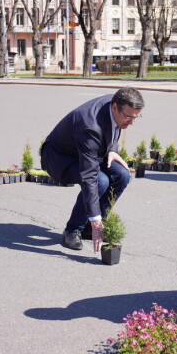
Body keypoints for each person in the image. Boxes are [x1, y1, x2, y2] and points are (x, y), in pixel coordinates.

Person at [41, 87, 145, 252]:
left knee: (123, 175)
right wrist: (95, 219)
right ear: (115, 107)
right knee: (100, 181)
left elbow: (114, 127)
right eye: (128, 117)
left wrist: (112, 149)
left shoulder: (119, 102)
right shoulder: (89, 126)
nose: (132, 122)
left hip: (88, 152)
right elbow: (89, 176)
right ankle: (73, 230)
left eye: (136, 117)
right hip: (61, 158)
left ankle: (89, 228)